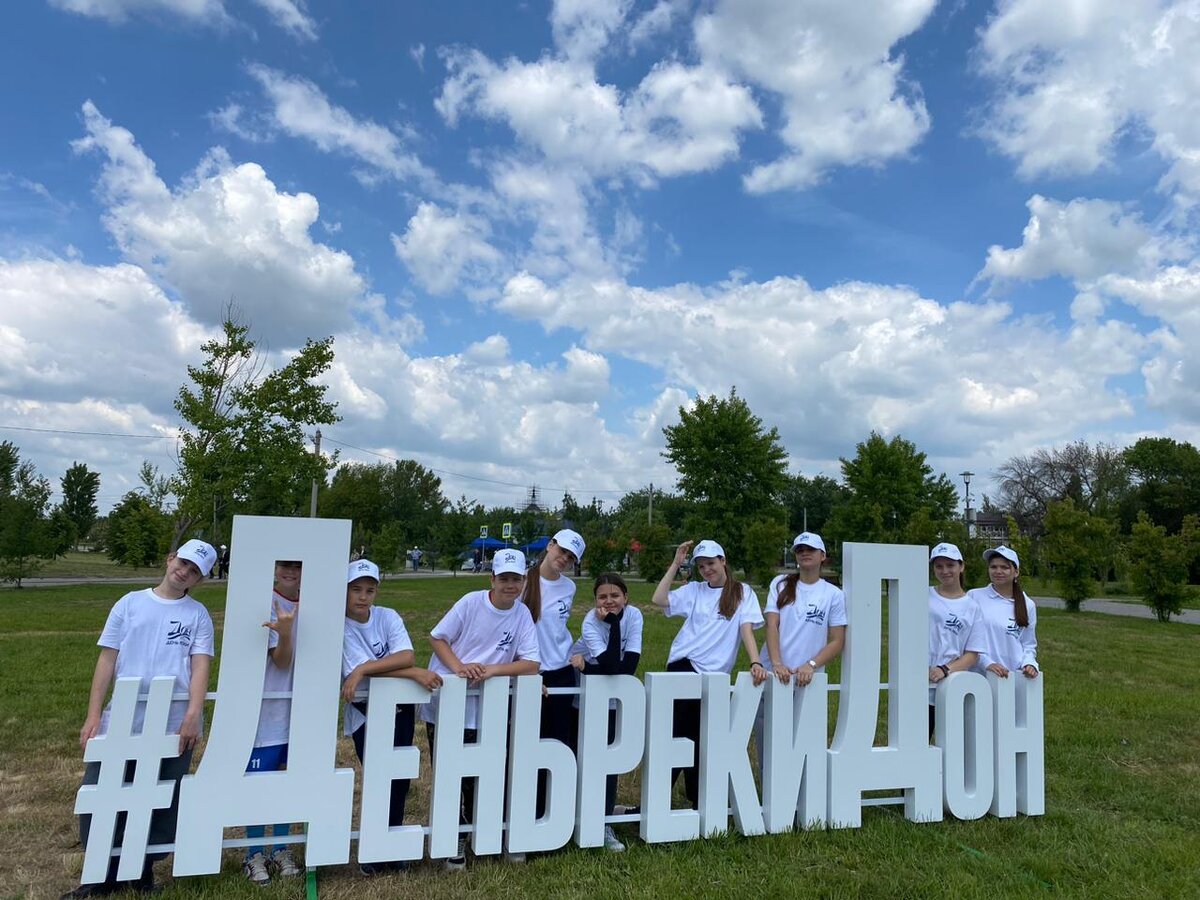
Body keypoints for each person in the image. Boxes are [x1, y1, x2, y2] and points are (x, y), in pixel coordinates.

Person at [62, 539, 217, 899]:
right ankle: (99, 874)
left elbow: (200, 666)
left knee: (161, 796)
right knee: (103, 790)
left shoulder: (197, 615)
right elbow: (107, 660)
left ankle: (143, 869)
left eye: (194, 571)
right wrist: (93, 715)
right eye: (183, 563)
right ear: (169, 559)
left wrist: (193, 714)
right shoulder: (130, 604)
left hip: (172, 721)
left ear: (199, 580)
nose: (184, 572)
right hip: (123, 718)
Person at [420, 548, 540, 870]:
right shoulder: (471, 602)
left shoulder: (521, 614)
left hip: (488, 706)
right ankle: (452, 838)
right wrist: (460, 667)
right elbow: (438, 638)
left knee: (484, 772)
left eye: (516, 579)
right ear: (493, 579)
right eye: (504, 578)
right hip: (449, 702)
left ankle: (481, 831)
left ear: (524, 581)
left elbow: (531, 662)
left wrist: (489, 670)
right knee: (450, 773)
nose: (510, 585)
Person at [341, 558, 442, 876]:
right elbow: (382, 674)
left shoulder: (387, 616)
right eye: (356, 589)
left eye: (369, 590)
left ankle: (393, 845)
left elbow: (406, 654)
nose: (363, 597)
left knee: (399, 780)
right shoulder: (340, 626)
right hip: (365, 712)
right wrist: (412, 673)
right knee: (377, 777)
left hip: (399, 706)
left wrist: (364, 668)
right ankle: (372, 849)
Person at [651, 539, 763, 809]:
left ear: (723, 561)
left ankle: (697, 800)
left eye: (711, 563)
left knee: (702, 737)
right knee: (679, 735)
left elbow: (746, 629)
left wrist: (755, 662)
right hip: (684, 666)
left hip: (713, 677)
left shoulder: (742, 592)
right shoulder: (695, 591)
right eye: (701, 566)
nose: (707, 570)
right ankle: (659, 801)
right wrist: (676, 563)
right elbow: (658, 599)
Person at [751, 532, 846, 767]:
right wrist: (776, 663)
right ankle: (772, 798)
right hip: (774, 676)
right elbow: (772, 625)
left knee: (803, 745)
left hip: (807, 680)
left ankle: (800, 798)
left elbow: (837, 640)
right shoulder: (781, 583)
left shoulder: (833, 594)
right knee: (768, 740)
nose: (804, 553)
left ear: (823, 556)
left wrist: (811, 665)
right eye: (799, 550)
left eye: (810, 549)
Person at [569, 572, 642, 852]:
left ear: (626, 597)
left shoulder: (634, 616)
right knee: (581, 756)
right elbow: (613, 665)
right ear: (595, 600)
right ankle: (575, 816)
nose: (609, 601)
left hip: (611, 693)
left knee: (609, 760)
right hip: (583, 695)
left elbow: (626, 669)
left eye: (615, 596)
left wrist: (588, 666)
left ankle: (604, 821)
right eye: (602, 597)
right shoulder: (590, 621)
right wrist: (611, 625)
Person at [241, 560, 303, 885]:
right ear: (275, 568)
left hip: (299, 711)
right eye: (285, 566)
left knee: (285, 780)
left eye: (298, 566)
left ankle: (280, 848)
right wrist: (286, 634)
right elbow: (280, 662)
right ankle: (253, 853)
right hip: (264, 710)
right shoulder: (261, 601)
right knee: (258, 781)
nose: (291, 571)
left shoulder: (317, 601)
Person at [522, 529, 586, 821]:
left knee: (559, 744)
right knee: (527, 745)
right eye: (562, 551)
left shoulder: (569, 587)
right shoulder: (522, 581)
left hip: (561, 672)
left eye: (571, 558)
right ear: (550, 546)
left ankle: (554, 813)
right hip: (530, 673)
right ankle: (529, 811)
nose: (564, 559)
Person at [925, 542, 984, 736]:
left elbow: (972, 654)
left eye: (950, 565)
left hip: (951, 685)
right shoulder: (923, 595)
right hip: (920, 684)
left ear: (961, 566)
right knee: (917, 743)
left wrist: (944, 670)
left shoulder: (972, 607)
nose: (945, 571)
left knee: (951, 747)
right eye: (939, 566)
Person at [968, 546, 1040, 680]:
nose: (998, 571)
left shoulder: (1027, 604)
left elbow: (1028, 644)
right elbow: (966, 639)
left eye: (1005, 567)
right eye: (993, 567)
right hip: (978, 677)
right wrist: (987, 663)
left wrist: (1029, 663)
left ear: (1016, 572)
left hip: (1011, 678)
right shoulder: (974, 597)